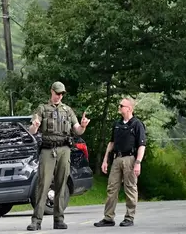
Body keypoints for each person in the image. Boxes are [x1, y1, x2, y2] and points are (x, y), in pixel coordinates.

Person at [26, 81, 90, 231]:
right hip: (48, 150)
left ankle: (59, 219)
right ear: (51, 92)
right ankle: (36, 221)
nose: (59, 96)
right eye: (57, 93)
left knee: (62, 184)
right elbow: (32, 130)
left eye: (61, 94)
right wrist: (35, 125)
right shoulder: (42, 109)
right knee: (43, 185)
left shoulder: (67, 110)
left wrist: (83, 126)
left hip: (64, 149)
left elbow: (77, 130)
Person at [94, 97, 146, 228]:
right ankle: (108, 218)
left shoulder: (137, 124)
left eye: (122, 105)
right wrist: (105, 159)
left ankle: (129, 217)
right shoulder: (117, 124)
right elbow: (111, 143)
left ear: (129, 108)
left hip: (130, 158)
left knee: (130, 188)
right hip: (117, 158)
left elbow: (142, 145)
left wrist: (138, 162)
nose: (119, 107)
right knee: (112, 188)